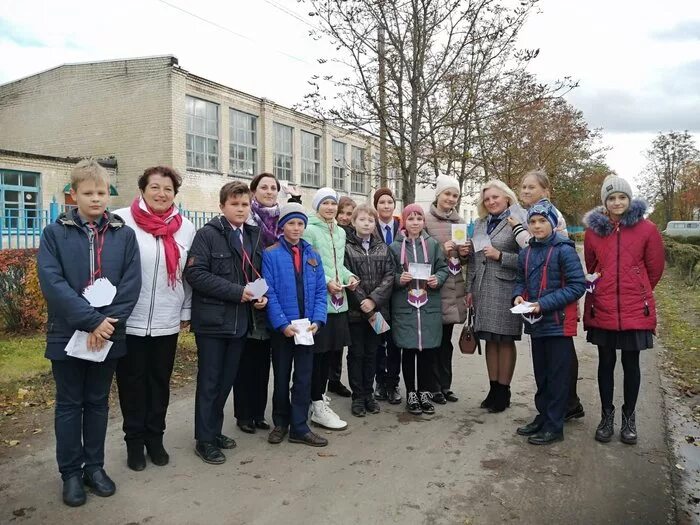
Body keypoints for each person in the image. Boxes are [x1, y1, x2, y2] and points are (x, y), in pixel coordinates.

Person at [38, 159, 141, 507]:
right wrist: (90, 321)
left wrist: (106, 323)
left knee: (97, 402)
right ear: (73, 195)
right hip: (67, 333)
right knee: (69, 404)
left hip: (109, 333)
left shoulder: (123, 234)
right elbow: (53, 284)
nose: (96, 199)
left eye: (102, 192)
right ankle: (70, 472)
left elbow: (131, 283)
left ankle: (94, 467)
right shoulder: (55, 233)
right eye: (88, 192)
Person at [113, 166, 196, 471]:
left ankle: (155, 438)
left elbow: (188, 275)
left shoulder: (185, 227)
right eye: (155, 187)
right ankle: (134, 442)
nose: (161, 194)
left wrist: (185, 310)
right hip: (129, 319)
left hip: (166, 318)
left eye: (168, 189)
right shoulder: (121, 220)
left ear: (175, 194)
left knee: (159, 381)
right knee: (131, 382)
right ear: (143, 189)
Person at [184, 181, 267, 465]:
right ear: (222, 206)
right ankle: (204, 440)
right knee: (210, 382)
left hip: (240, 322)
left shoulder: (254, 235)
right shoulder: (207, 235)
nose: (241, 209)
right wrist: (237, 292)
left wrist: (259, 296)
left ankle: (213, 431)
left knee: (226, 381)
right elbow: (196, 274)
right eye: (234, 204)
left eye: (245, 204)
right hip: (213, 322)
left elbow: (255, 274)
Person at [583, 176, 665, 445]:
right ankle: (607, 417)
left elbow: (654, 269)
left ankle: (629, 418)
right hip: (603, 306)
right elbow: (592, 265)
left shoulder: (647, 229)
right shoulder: (594, 231)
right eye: (611, 198)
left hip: (634, 309)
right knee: (605, 363)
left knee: (631, 364)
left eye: (621, 197)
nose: (617, 202)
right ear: (604, 202)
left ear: (629, 199)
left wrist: (637, 288)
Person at [507, 168, 585, 422]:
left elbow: (572, 280)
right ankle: (548, 414)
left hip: (555, 311)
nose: (526, 191)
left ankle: (560, 414)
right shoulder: (529, 242)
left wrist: (519, 228)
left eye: (531, 187)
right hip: (537, 312)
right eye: (524, 187)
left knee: (559, 366)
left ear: (546, 191)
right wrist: (520, 295)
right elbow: (525, 272)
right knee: (543, 369)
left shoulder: (558, 238)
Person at [263, 203, 329, 447]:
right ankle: (280, 422)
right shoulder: (271, 254)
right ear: (282, 226)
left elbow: (321, 291)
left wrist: (318, 320)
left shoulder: (313, 255)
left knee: (303, 378)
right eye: (291, 223)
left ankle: (299, 426)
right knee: (281, 377)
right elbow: (269, 292)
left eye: (300, 223)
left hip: (306, 330)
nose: (296, 228)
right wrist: (281, 324)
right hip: (284, 330)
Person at [235, 172, 292, 435]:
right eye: (264, 187)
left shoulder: (283, 221)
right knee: (247, 359)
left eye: (273, 188)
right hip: (249, 295)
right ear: (253, 190)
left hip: (274, 297)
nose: (269, 191)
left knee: (263, 362)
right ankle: (244, 414)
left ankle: (259, 413)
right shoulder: (248, 220)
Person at [303, 187, 359, 430]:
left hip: (339, 302)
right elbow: (309, 264)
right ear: (317, 206)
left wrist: (349, 275)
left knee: (329, 354)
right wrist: (327, 281)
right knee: (317, 354)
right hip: (319, 301)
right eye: (325, 203)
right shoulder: (309, 231)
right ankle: (314, 402)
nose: (330, 207)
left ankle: (318, 396)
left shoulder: (340, 232)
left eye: (332, 203)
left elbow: (338, 265)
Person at [466, 180, 523, 413]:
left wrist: (500, 255)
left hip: (506, 289)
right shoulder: (480, 224)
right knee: (490, 340)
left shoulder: (516, 222)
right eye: (487, 199)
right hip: (482, 288)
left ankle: (504, 391)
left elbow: (528, 259)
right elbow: (473, 259)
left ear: (507, 198)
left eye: (495, 197)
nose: (491, 202)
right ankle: (493, 388)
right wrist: (469, 288)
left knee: (505, 340)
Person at [389, 204, 448, 415]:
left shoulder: (432, 245)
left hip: (428, 306)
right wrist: (399, 278)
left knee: (428, 352)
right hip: (405, 306)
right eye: (411, 219)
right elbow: (389, 275)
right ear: (404, 221)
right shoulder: (395, 248)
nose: (415, 223)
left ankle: (425, 391)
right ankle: (411, 392)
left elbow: (443, 268)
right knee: (409, 350)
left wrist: (437, 279)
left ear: (424, 222)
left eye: (419, 219)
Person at [344, 204, 395, 416]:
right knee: (357, 353)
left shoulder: (383, 248)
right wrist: (362, 301)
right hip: (356, 313)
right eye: (362, 219)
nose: (366, 223)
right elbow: (347, 277)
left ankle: (369, 394)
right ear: (353, 222)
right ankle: (357, 396)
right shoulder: (346, 248)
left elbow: (390, 276)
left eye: (370, 220)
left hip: (377, 312)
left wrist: (373, 301)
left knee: (373, 353)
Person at [424, 175, 470, 404]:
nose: (450, 199)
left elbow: (463, 261)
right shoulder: (423, 219)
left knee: (446, 342)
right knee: (433, 341)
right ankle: (431, 386)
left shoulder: (459, 222)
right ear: (438, 195)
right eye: (447, 194)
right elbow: (418, 255)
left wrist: (464, 254)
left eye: (455, 195)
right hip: (432, 290)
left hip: (452, 289)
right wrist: (441, 249)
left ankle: (445, 386)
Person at [372, 187, 403, 404]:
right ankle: (380, 382)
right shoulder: (369, 228)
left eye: (389, 202)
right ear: (376, 206)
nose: (386, 206)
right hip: (378, 296)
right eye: (382, 202)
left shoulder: (402, 228)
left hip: (399, 296)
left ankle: (393, 383)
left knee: (394, 343)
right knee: (377, 341)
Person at [327, 195, 358, 399]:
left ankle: (335, 379)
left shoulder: (353, 234)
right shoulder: (333, 233)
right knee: (329, 341)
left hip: (350, 291)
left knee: (341, 343)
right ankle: (329, 379)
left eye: (349, 214)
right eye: (342, 213)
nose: (345, 217)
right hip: (334, 290)